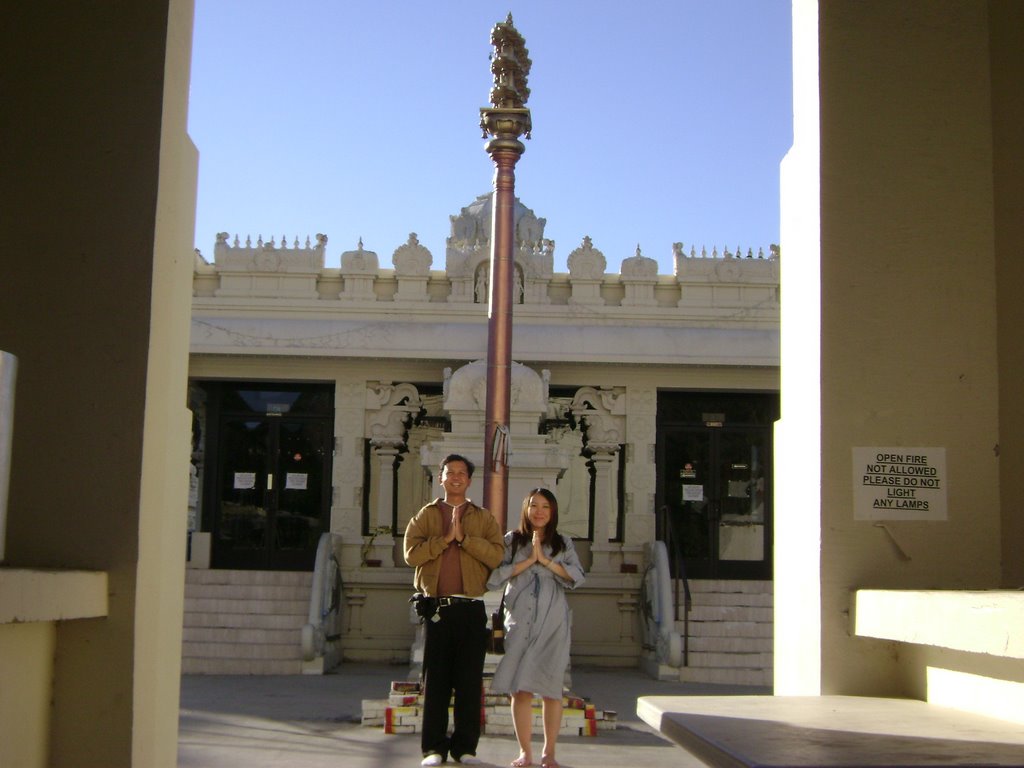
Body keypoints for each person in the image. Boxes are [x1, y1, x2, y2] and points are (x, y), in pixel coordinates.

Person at [404, 454, 504, 767]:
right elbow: (410, 555)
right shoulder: (427, 514)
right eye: (451, 472)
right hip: (438, 608)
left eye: (462, 473)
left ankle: (464, 749)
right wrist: (443, 540)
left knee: (469, 682)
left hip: (471, 608)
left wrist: (465, 540)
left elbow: (497, 556)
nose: (456, 477)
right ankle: (433, 748)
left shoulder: (483, 517)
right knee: (435, 682)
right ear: (442, 477)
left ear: (470, 480)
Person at [486, 488, 585, 768]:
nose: (539, 511)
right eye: (534, 506)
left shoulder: (563, 542)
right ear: (526, 510)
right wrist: (529, 561)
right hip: (519, 621)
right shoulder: (512, 541)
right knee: (521, 689)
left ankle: (549, 753)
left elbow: (577, 577)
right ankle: (525, 752)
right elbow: (493, 578)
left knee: (552, 688)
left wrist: (547, 562)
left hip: (553, 622)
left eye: (545, 506)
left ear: (552, 512)